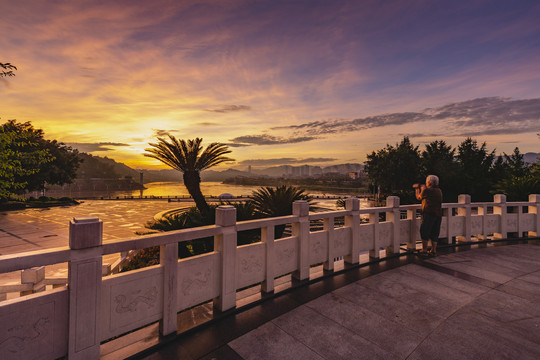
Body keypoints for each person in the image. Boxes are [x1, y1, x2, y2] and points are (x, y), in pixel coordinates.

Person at [414, 175, 443, 256]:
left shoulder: (427, 191)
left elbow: (419, 197)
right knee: (435, 232)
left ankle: (424, 250)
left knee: (424, 231)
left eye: (427, 182)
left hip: (428, 213)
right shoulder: (439, 190)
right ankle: (433, 250)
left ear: (429, 182)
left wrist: (417, 189)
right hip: (438, 214)